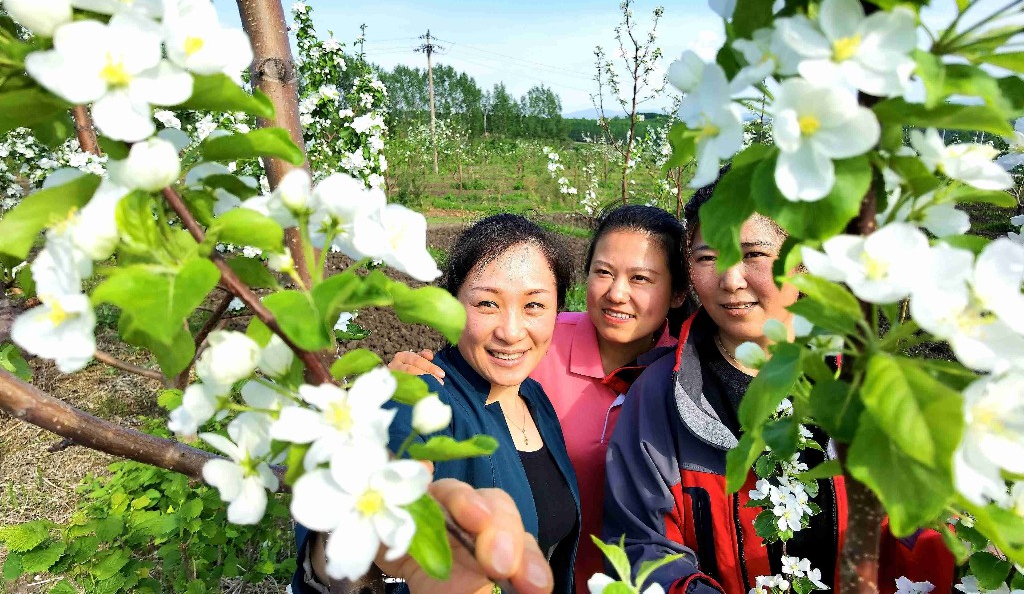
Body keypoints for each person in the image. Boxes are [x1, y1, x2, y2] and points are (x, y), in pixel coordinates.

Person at [601, 175, 954, 594]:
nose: (730, 280)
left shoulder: (868, 383)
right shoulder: (659, 396)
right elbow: (643, 546)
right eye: (708, 257)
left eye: (753, 253)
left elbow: (923, 528)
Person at [391, 205, 688, 593]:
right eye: (603, 272)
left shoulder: (683, 376)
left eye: (641, 278)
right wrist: (395, 388)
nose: (618, 293)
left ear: (678, 292)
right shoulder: (538, 349)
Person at [293, 214, 581, 594]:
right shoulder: (418, 397)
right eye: (487, 304)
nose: (511, 331)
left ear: (558, 310)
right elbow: (349, 547)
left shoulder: (535, 400)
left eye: (534, 306)